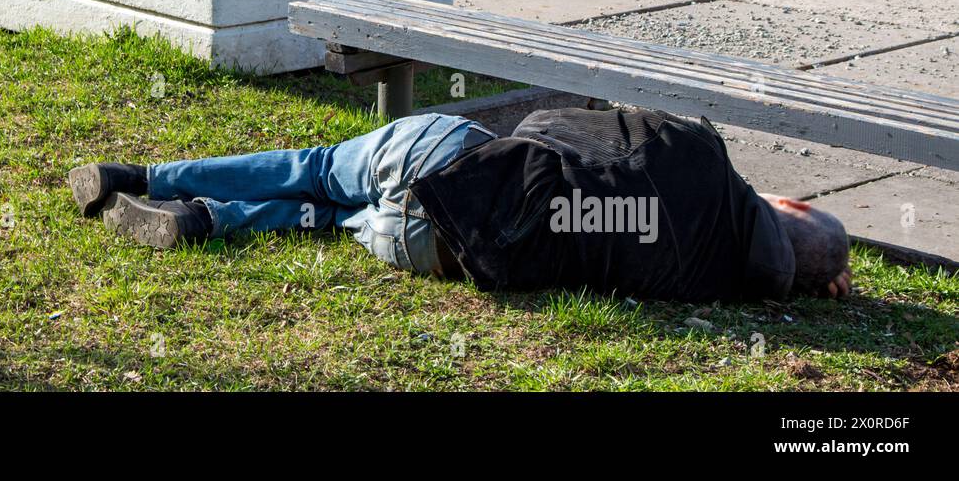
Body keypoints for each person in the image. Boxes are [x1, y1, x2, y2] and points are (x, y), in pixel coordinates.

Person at [70, 107, 852, 302]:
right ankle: (205, 222)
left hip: (450, 162)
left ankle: (145, 173)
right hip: (442, 249)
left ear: (788, 199)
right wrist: (811, 276)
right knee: (340, 219)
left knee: (316, 166)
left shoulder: (700, 157)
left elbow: (548, 128)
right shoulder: (713, 281)